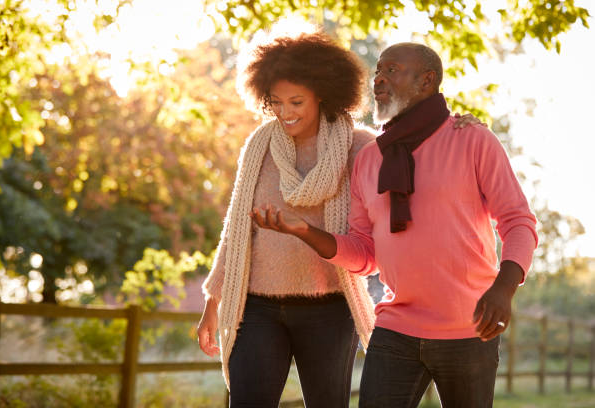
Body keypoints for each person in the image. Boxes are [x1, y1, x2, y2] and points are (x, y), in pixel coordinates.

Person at [198, 32, 481, 407]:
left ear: (322, 95)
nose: (285, 112)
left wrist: (458, 127)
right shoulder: (259, 146)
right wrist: (212, 305)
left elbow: (412, 150)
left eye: (296, 101)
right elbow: (235, 232)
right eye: (276, 102)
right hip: (258, 308)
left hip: (329, 309)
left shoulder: (358, 145)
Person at [251, 42, 538, 408]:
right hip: (395, 329)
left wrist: (504, 288)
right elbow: (365, 254)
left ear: (426, 81)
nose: (379, 79)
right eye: (378, 71)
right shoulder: (370, 158)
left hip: (468, 327)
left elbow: (518, 222)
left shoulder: (472, 139)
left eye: (392, 70)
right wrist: (304, 231)